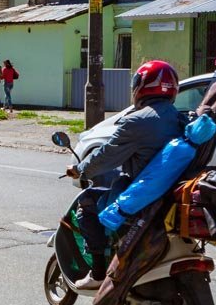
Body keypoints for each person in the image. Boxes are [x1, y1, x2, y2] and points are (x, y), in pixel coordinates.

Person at [64, 60, 182, 288]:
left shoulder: (137, 120)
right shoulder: (179, 118)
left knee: (86, 205)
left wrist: (79, 169)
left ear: (142, 86)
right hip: (169, 192)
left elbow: (107, 155)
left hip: (141, 192)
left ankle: (98, 272)